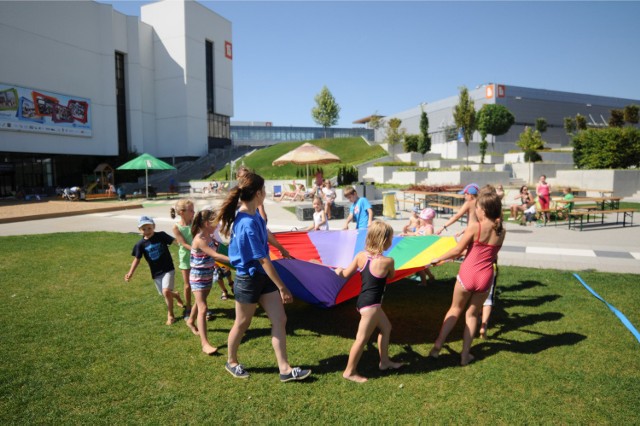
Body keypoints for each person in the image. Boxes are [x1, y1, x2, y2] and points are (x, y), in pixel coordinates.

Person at [218, 171, 311, 381]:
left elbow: (265, 231)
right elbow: (262, 259)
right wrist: (282, 287)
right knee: (242, 323)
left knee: (280, 319)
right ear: (259, 193)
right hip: (248, 280)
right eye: (265, 189)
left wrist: (281, 247)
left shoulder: (254, 215)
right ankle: (231, 361)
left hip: (262, 277)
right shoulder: (245, 222)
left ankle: (285, 369)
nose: (266, 193)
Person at [428, 191, 506, 366]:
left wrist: (439, 258)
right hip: (485, 278)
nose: (475, 210)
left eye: (477, 208)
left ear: (483, 211)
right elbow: (484, 252)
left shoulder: (475, 227)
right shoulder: (502, 231)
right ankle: (465, 355)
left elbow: (458, 250)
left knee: (455, 310)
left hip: (468, 274)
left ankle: (437, 348)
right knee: (472, 315)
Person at [335, 220, 404, 382]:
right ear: (383, 240)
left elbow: (345, 274)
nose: (392, 241)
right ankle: (349, 372)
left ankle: (385, 362)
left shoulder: (361, 256)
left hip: (364, 302)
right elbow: (392, 275)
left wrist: (338, 270)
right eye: (391, 238)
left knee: (386, 328)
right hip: (371, 306)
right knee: (361, 339)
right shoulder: (388, 261)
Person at [124, 215, 184, 325]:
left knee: (166, 292)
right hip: (156, 273)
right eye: (144, 229)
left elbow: (176, 242)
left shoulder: (161, 235)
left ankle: (170, 315)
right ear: (140, 230)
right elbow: (137, 259)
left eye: (149, 228)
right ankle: (176, 295)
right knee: (166, 293)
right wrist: (130, 273)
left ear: (154, 226)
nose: (147, 231)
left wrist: (186, 246)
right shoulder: (140, 244)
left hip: (168, 268)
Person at [186, 208, 230, 355]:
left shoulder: (210, 237)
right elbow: (216, 256)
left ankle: (190, 321)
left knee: (200, 302)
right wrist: (237, 260)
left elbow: (222, 248)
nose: (217, 226)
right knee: (203, 308)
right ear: (206, 223)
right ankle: (205, 344)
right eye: (215, 223)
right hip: (197, 277)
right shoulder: (200, 240)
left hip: (208, 275)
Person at [171, 199, 195, 319]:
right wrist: (197, 250)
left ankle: (201, 307)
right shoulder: (176, 227)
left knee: (199, 284)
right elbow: (184, 244)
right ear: (181, 212)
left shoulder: (195, 223)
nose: (194, 212)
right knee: (187, 285)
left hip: (197, 257)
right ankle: (189, 307)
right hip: (186, 257)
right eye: (191, 210)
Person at [401, 208, 436, 285]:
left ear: (427, 220)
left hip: (423, 250)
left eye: (422, 218)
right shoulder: (422, 227)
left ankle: (424, 283)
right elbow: (415, 234)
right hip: (418, 249)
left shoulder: (429, 228)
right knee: (423, 267)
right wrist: (405, 234)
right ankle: (431, 277)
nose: (420, 219)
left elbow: (429, 240)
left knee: (419, 267)